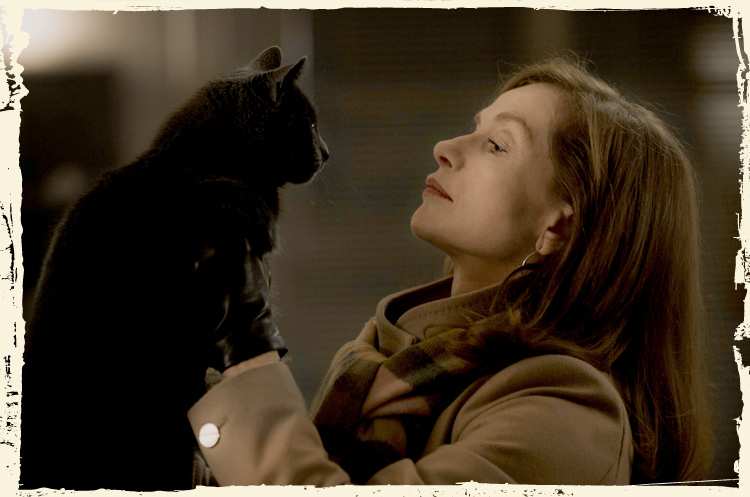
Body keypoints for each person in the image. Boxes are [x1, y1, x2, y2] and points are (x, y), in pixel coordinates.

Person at [186, 57, 713, 486]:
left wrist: (247, 351)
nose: (445, 149)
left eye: (497, 145)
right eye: (474, 129)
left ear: (558, 226)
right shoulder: (384, 359)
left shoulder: (568, 417)